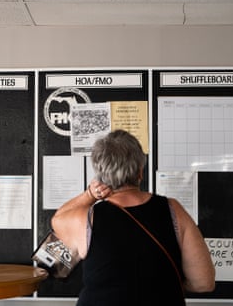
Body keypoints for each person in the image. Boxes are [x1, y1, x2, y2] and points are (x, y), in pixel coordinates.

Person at [51, 129, 215, 306]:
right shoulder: (173, 210)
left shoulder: (86, 219)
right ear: (140, 171)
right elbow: (203, 282)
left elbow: (58, 219)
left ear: (100, 174)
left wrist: (90, 194)